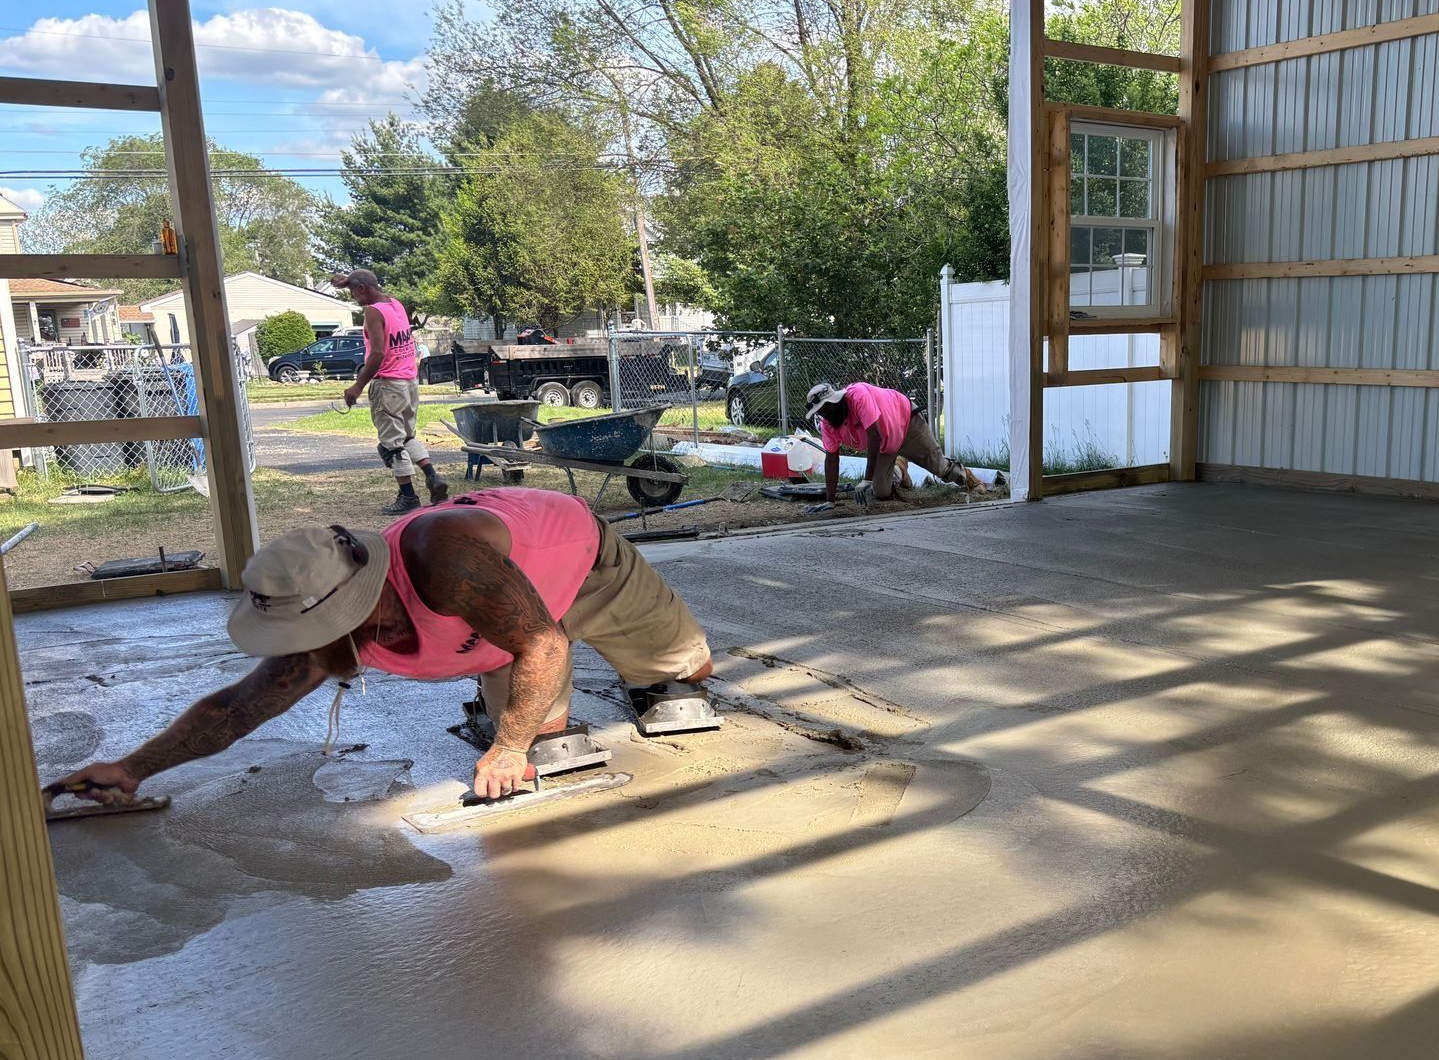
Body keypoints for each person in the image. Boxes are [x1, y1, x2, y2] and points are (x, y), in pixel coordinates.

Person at [56, 487, 714, 802]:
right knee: (546, 737)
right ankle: (522, 722)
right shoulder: (323, 624)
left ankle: (657, 675)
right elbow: (237, 710)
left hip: (581, 561)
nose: (309, 649)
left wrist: (507, 745)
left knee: (681, 686)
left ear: (359, 600)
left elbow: (544, 641)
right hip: (503, 623)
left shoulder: (444, 558)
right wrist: (133, 769)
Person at [333, 268, 449, 514]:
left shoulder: (373, 312)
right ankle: (432, 476)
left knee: (391, 445)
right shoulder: (395, 304)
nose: (354, 298)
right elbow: (365, 286)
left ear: (362, 289)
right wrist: (348, 283)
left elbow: (377, 353)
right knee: (408, 437)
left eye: (354, 293)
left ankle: (408, 497)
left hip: (388, 385)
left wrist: (358, 385)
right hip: (409, 381)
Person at [806, 381, 985, 505]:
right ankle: (900, 467)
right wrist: (830, 500)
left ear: (836, 401)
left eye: (827, 407)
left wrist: (867, 479)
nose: (826, 414)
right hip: (886, 444)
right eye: (821, 412)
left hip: (906, 423)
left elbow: (874, 436)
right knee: (881, 493)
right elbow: (831, 458)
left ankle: (969, 478)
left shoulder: (858, 396)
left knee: (940, 468)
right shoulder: (827, 424)